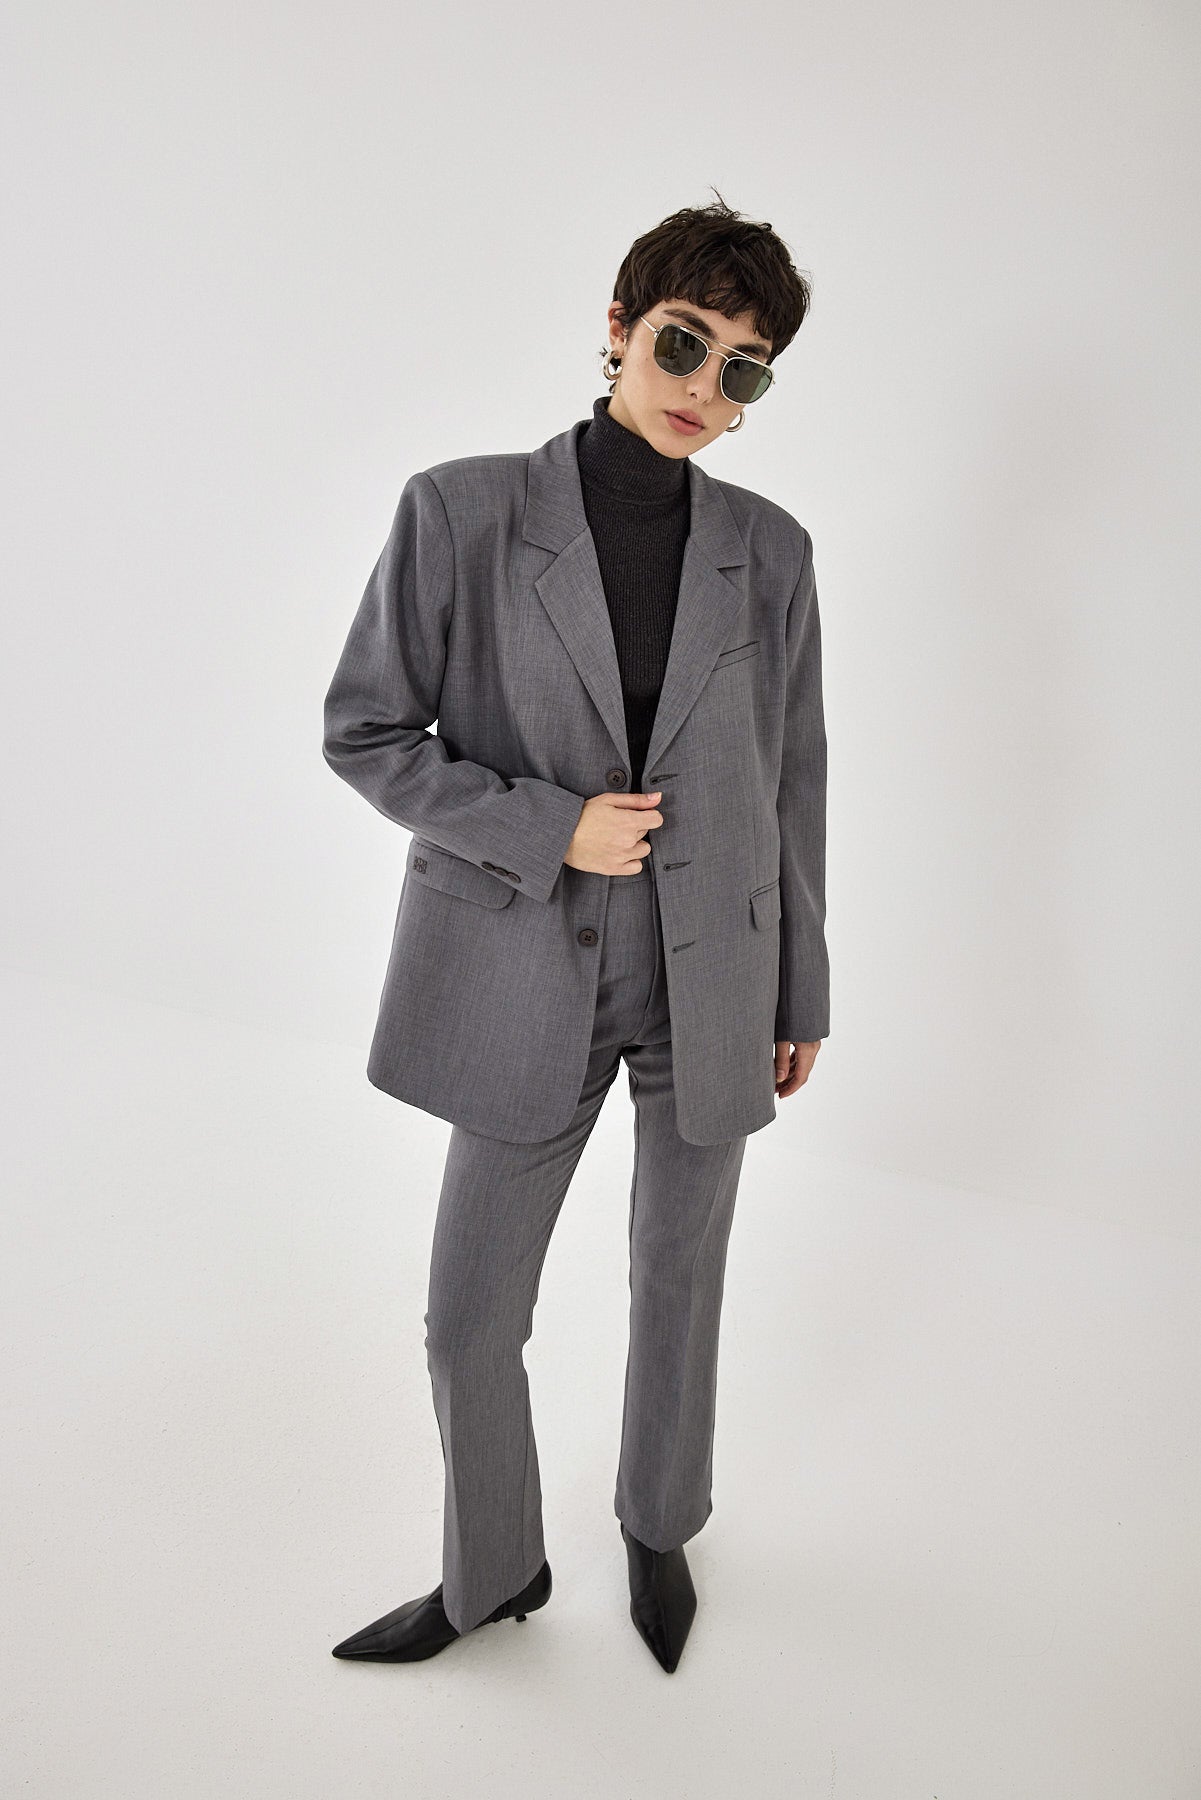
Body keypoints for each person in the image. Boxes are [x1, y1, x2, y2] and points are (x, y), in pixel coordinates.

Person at [323, 193, 829, 1674]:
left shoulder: (772, 552)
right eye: (683, 343)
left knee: (681, 1277)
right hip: (524, 967)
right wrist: (552, 826)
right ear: (618, 328)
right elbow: (366, 733)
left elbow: (791, 778)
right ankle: (493, 1572)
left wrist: (801, 987)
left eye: (742, 370)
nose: (703, 386)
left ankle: (659, 1528)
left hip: (714, 977)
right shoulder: (461, 512)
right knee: (468, 1313)